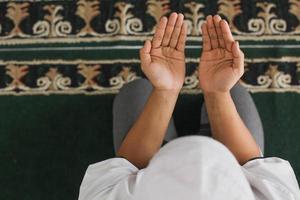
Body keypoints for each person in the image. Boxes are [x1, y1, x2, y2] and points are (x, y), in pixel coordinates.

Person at [78, 13, 300, 200]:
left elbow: (126, 167)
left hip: (149, 169)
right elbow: (251, 164)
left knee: (135, 91)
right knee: (235, 92)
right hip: (231, 164)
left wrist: (166, 91)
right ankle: (208, 123)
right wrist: (217, 93)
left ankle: (179, 137)